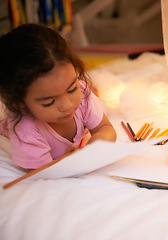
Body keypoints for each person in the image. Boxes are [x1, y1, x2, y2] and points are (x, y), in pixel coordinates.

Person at [0, 24, 117, 170]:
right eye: (49, 102)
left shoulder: (82, 91)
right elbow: (42, 172)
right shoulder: (25, 128)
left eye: (71, 89)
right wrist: (64, 161)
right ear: (19, 102)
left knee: (98, 101)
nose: (67, 105)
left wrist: (95, 145)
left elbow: (106, 128)